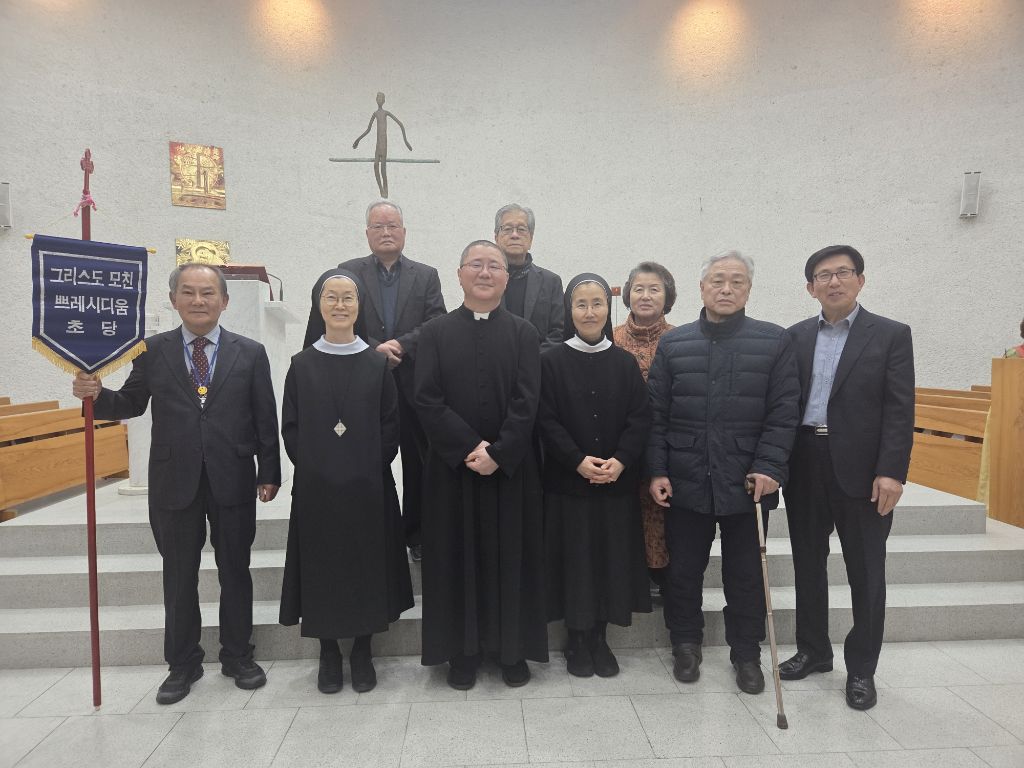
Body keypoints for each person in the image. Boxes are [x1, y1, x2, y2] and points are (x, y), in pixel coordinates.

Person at [73, 263, 281, 704]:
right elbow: (131, 402)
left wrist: (269, 472)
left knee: (235, 571)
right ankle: (182, 664)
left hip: (232, 476)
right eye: (188, 292)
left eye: (208, 293)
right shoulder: (152, 350)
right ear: (173, 300)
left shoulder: (250, 352)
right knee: (179, 575)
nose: (198, 300)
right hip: (174, 480)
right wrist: (96, 394)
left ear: (224, 301)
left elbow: (265, 416)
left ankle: (238, 655)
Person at [647, 251, 799, 694]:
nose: (726, 289)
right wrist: (656, 470)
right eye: (717, 281)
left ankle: (746, 653)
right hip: (686, 477)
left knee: (746, 575)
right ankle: (685, 644)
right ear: (702, 287)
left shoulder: (774, 341)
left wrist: (770, 466)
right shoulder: (675, 344)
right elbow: (656, 415)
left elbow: (784, 412)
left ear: (749, 289)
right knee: (683, 571)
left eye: (736, 281)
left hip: (749, 483)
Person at [780, 245, 915, 711]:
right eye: (823, 275)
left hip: (863, 469)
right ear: (810, 287)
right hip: (805, 461)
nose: (834, 281)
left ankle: (861, 668)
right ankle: (814, 650)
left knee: (866, 570)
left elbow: (900, 409)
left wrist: (891, 471)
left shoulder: (891, 335)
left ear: (860, 279)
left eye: (843, 272)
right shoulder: (795, 337)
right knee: (807, 563)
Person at [414, 240, 548, 690]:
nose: (485, 272)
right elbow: (426, 398)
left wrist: (500, 452)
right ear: (460, 274)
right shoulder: (433, 333)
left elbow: (528, 400)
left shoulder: (525, 334)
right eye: (477, 264)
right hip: (453, 472)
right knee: (456, 561)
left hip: (510, 472)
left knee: (512, 559)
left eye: (494, 266)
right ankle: (462, 654)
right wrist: (471, 447)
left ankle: (512, 652)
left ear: (506, 278)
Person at [280, 268, 414, 694]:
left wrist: (365, 467)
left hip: (368, 487)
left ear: (359, 307)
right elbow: (291, 428)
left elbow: (390, 425)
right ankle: (327, 652)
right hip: (317, 490)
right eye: (331, 297)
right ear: (318, 306)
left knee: (365, 565)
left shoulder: (376, 363)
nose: (340, 305)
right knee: (322, 567)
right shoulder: (301, 365)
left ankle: (361, 649)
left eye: (348, 298)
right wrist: (318, 468)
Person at [304, 200, 446, 562]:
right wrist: (374, 348)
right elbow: (337, 318)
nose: (386, 232)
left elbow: (436, 321)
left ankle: (417, 534)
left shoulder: (426, 275)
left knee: (418, 461)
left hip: (413, 381)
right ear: (367, 233)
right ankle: (368, 529)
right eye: (378, 226)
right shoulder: (348, 271)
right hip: (362, 382)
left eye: (392, 225)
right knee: (363, 456)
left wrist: (401, 345)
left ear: (404, 232)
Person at [539, 273, 652, 678]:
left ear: (609, 308)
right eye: (581, 304)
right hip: (568, 484)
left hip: (615, 486)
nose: (590, 312)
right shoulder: (550, 361)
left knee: (610, 562)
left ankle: (600, 639)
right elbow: (546, 419)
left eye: (597, 303)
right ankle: (576, 639)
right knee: (576, 563)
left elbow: (640, 418)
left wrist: (620, 461)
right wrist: (576, 460)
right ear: (569, 311)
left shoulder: (624, 362)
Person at [612, 261, 677, 598]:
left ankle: (663, 577)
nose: (646, 296)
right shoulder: (611, 339)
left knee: (662, 512)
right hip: (621, 444)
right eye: (639, 289)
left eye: (654, 289)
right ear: (628, 294)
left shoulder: (680, 339)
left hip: (668, 446)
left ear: (667, 296)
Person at [493, 203, 564, 350]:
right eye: (507, 229)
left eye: (521, 229)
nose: (514, 235)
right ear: (496, 238)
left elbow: (558, 332)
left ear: (531, 239)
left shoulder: (551, 282)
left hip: (539, 361)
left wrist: (531, 359)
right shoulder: (486, 279)